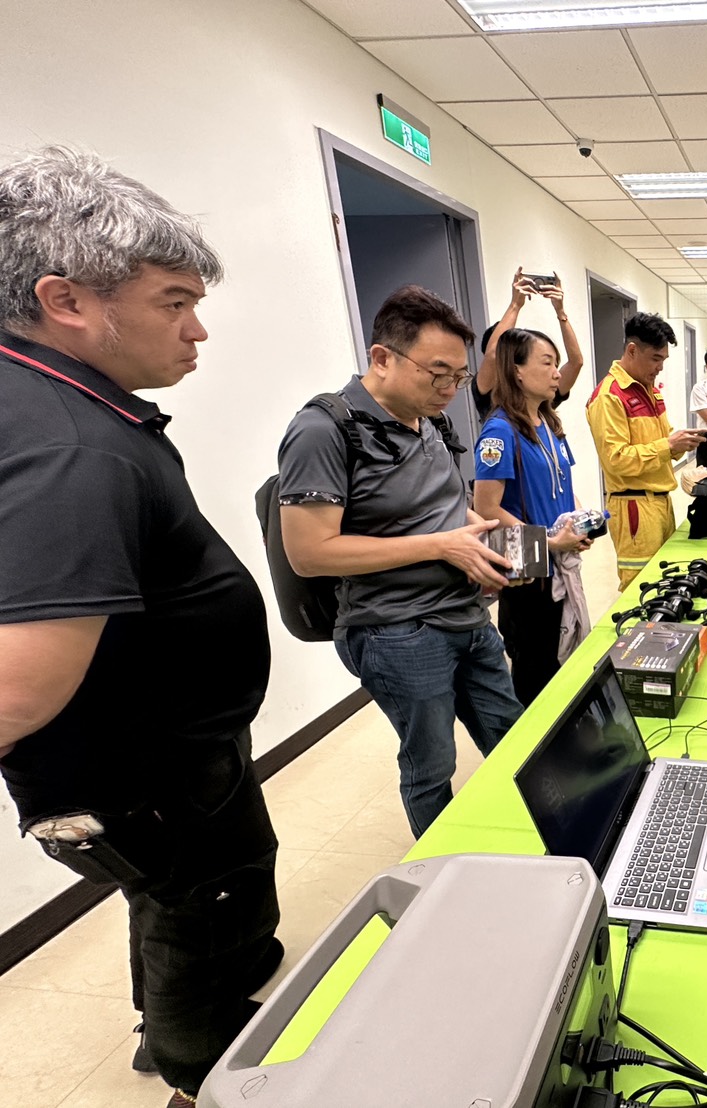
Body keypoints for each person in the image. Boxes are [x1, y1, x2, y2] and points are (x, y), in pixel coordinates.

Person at [0, 147, 281, 1108]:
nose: (197, 329)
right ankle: (203, 1076)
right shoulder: (70, 446)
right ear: (66, 301)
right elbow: (15, 687)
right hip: (149, 779)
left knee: (168, 901)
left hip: (154, 763)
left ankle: (165, 1034)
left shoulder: (49, 402)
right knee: (200, 915)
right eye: (174, 302)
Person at [278, 285, 522, 839]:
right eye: (437, 374)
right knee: (432, 765)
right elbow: (310, 553)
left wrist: (480, 540)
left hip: (466, 615)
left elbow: (444, 507)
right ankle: (441, 873)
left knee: (514, 736)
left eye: (459, 376)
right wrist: (442, 546)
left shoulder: (430, 421)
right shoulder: (323, 430)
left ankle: (534, 848)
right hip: (397, 630)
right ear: (382, 358)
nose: (450, 389)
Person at [473, 327, 594, 706]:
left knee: (565, 664)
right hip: (529, 574)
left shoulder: (549, 424)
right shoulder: (499, 432)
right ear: (517, 371)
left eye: (556, 364)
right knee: (536, 675)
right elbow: (486, 508)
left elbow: (563, 483)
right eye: (547, 363)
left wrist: (578, 520)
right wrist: (550, 542)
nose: (557, 373)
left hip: (560, 561)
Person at [587, 312, 705, 589]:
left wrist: (682, 443)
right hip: (634, 508)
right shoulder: (610, 396)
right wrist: (668, 445)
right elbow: (616, 460)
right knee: (641, 588)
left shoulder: (650, 391)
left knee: (667, 582)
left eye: (663, 360)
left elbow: (662, 442)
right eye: (655, 358)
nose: (660, 367)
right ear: (632, 350)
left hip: (661, 502)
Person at [472, 267, 584, 420]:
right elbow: (493, 354)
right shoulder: (489, 394)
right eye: (547, 363)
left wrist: (561, 312)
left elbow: (576, 362)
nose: (556, 373)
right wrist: (515, 305)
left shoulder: (541, 393)